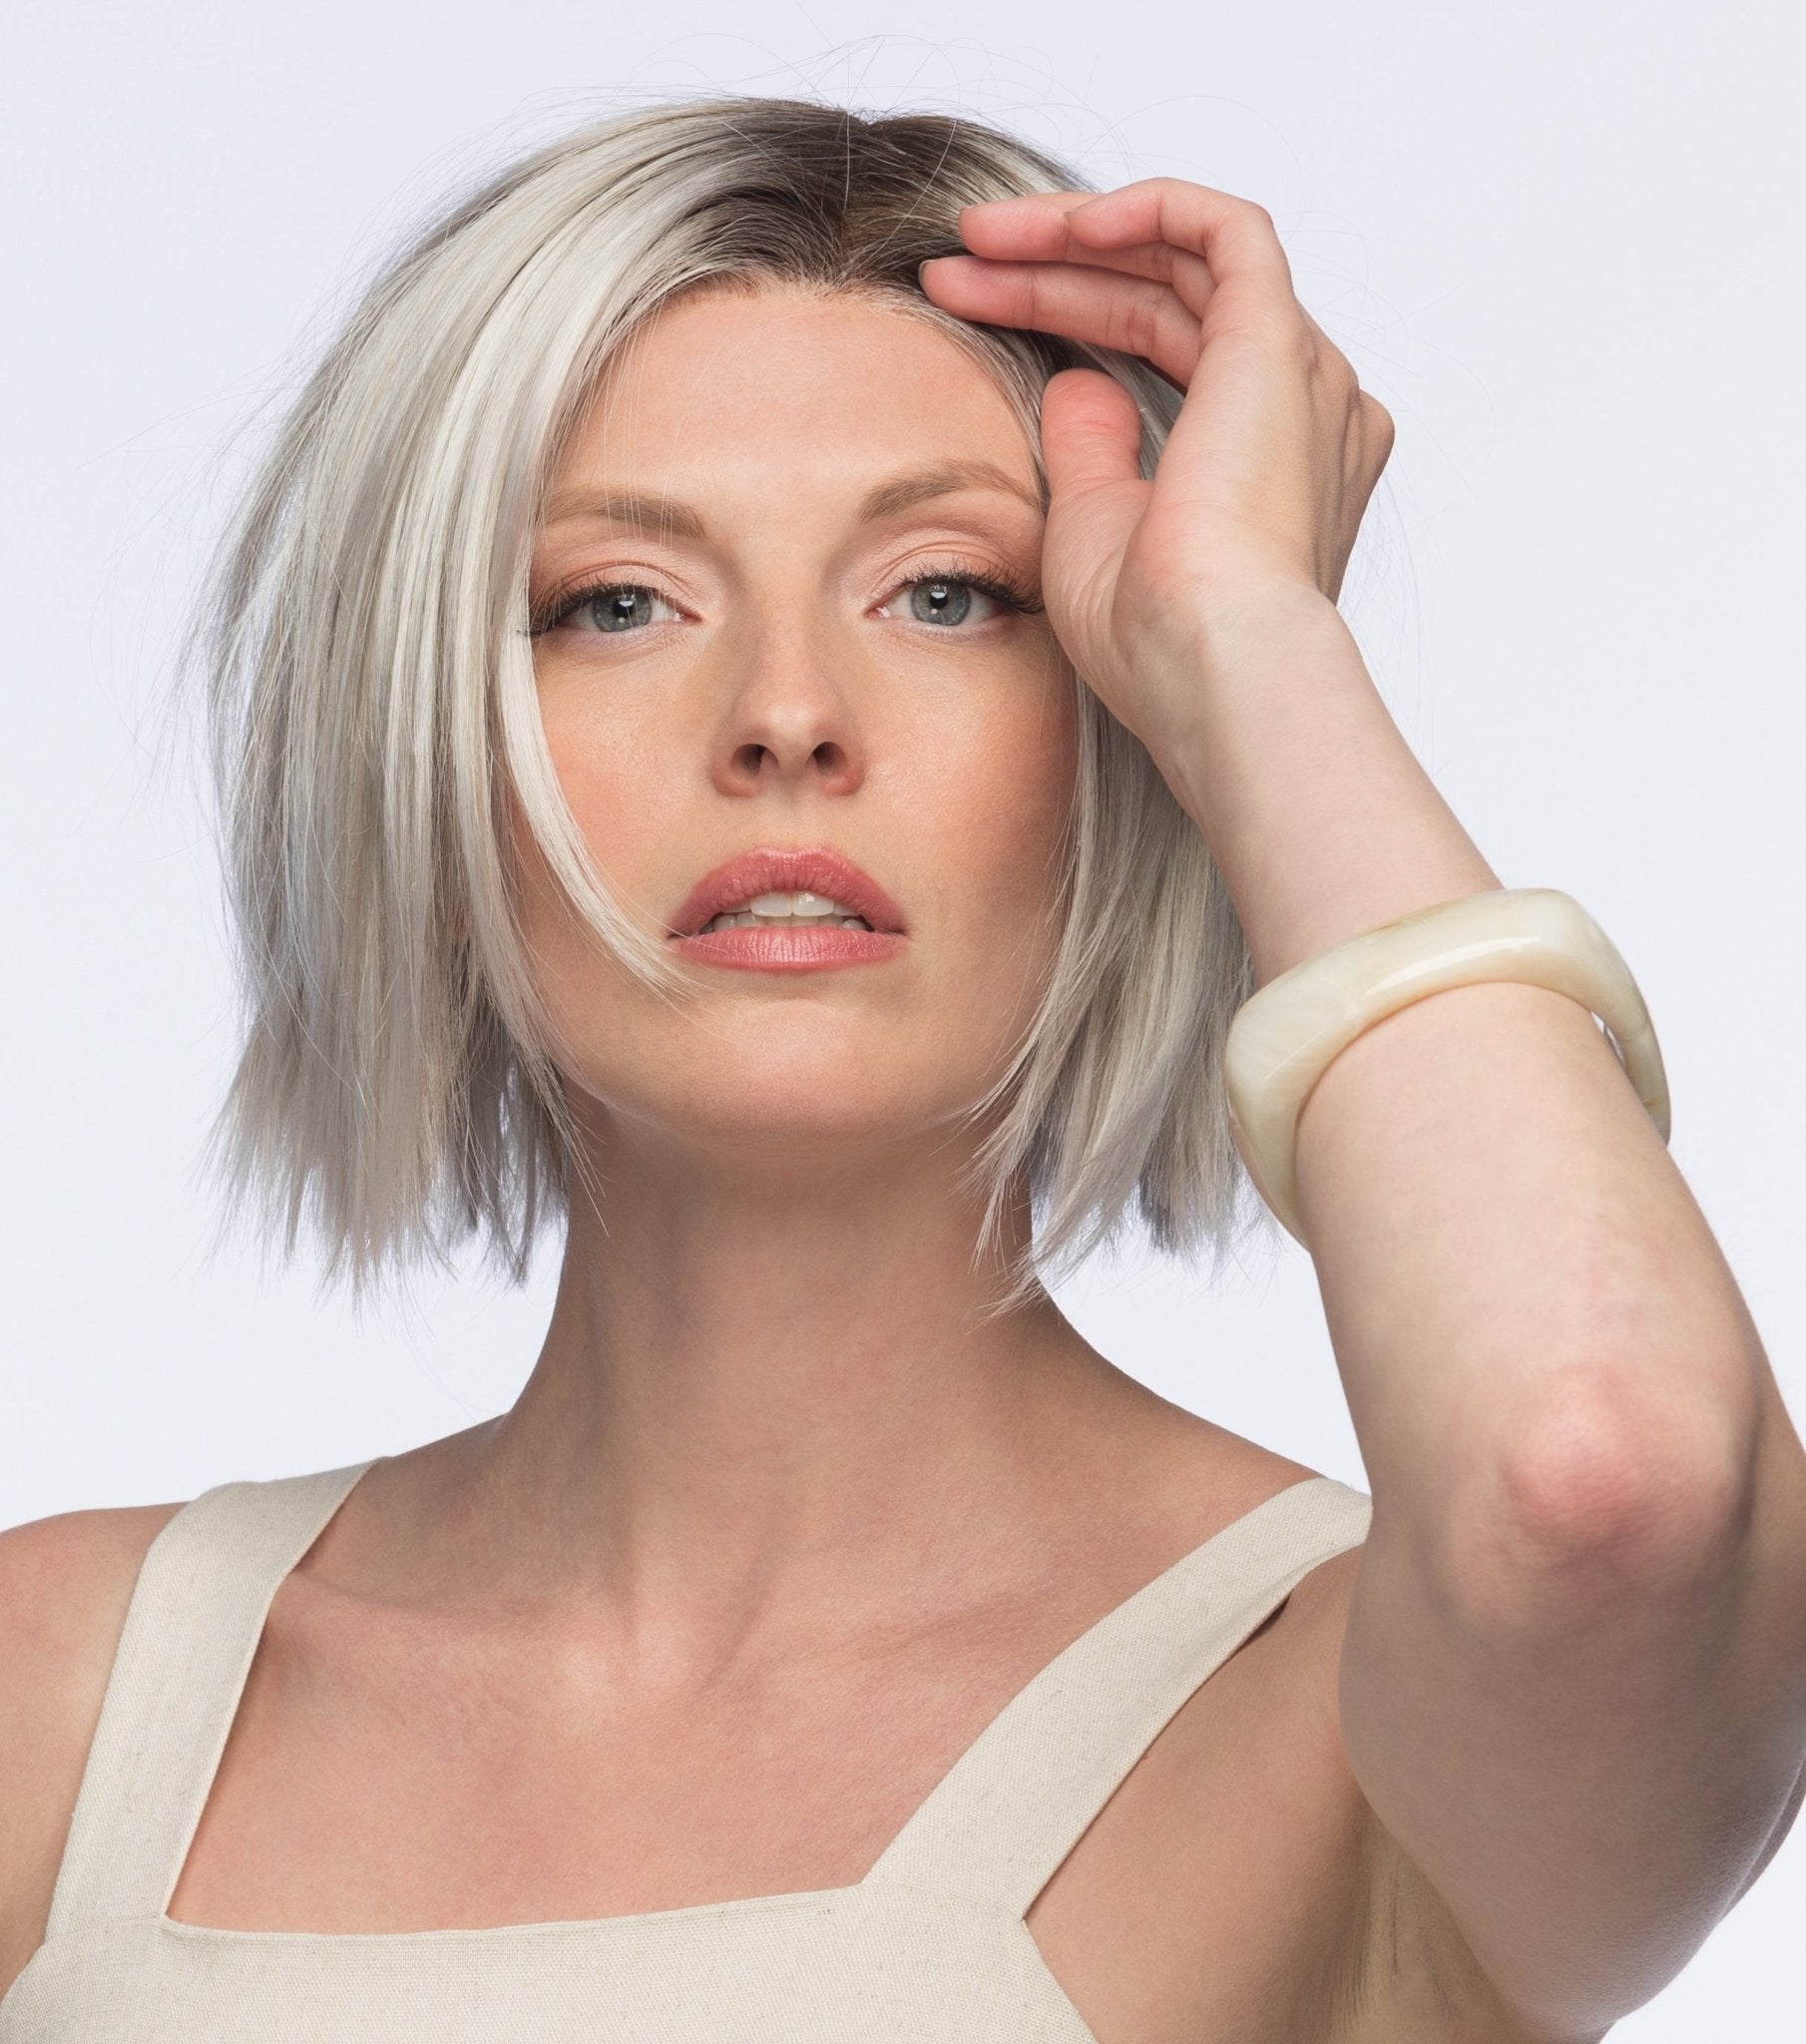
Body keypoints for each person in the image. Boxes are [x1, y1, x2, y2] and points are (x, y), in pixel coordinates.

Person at [1, 93, 1801, 2043]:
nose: (785, 716)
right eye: (616, 603)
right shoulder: (62, 1697)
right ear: (426, 773)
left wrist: (1249, 644)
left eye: (944, 593)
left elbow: (1600, 1476)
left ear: (1119, 737)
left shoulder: (1335, 1720)